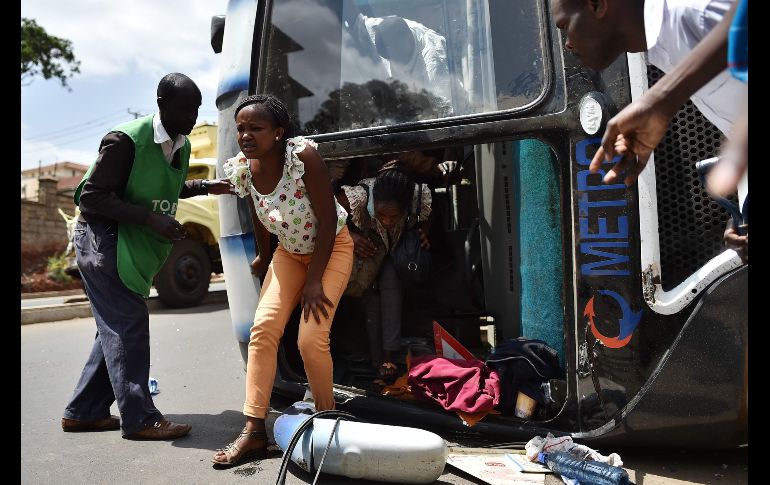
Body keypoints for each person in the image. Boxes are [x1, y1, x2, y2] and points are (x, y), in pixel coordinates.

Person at [62, 73, 234, 440]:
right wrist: (151, 219)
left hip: (131, 240)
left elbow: (166, 188)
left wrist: (206, 186)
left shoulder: (181, 145)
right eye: (185, 108)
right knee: (128, 323)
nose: (192, 116)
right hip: (102, 237)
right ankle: (140, 418)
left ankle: (84, 411)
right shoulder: (125, 140)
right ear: (161, 104)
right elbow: (90, 197)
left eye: (196, 109)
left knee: (115, 327)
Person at [212, 95, 353, 466]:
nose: (245, 135)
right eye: (241, 128)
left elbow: (326, 222)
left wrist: (314, 281)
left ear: (278, 133)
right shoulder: (243, 168)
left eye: (255, 128)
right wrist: (262, 253)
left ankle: (326, 414)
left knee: (310, 339)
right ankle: (254, 431)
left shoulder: (303, 158)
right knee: (263, 330)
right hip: (288, 253)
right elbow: (258, 210)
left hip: (332, 247)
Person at [549, 0, 744, 186]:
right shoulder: (665, 46)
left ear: (597, 5)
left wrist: (661, 99)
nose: (568, 44)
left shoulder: (695, 13)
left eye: (566, 25)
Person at [337, 168, 432, 378]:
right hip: (368, 247)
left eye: (394, 216)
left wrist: (424, 231)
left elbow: (428, 215)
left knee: (391, 292)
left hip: (398, 249)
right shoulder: (358, 196)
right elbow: (325, 211)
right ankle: (376, 359)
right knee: (371, 298)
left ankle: (388, 358)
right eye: (381, 215)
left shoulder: (418, 196)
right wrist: (350, 236)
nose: (388, 221)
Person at [343, 3, 453, 107]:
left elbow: (445, 108)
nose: (393, 61)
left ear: (409, 41)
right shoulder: (376, 30)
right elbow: (355, 19)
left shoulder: (433, 63)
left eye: (397, 57)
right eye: (389, 57)